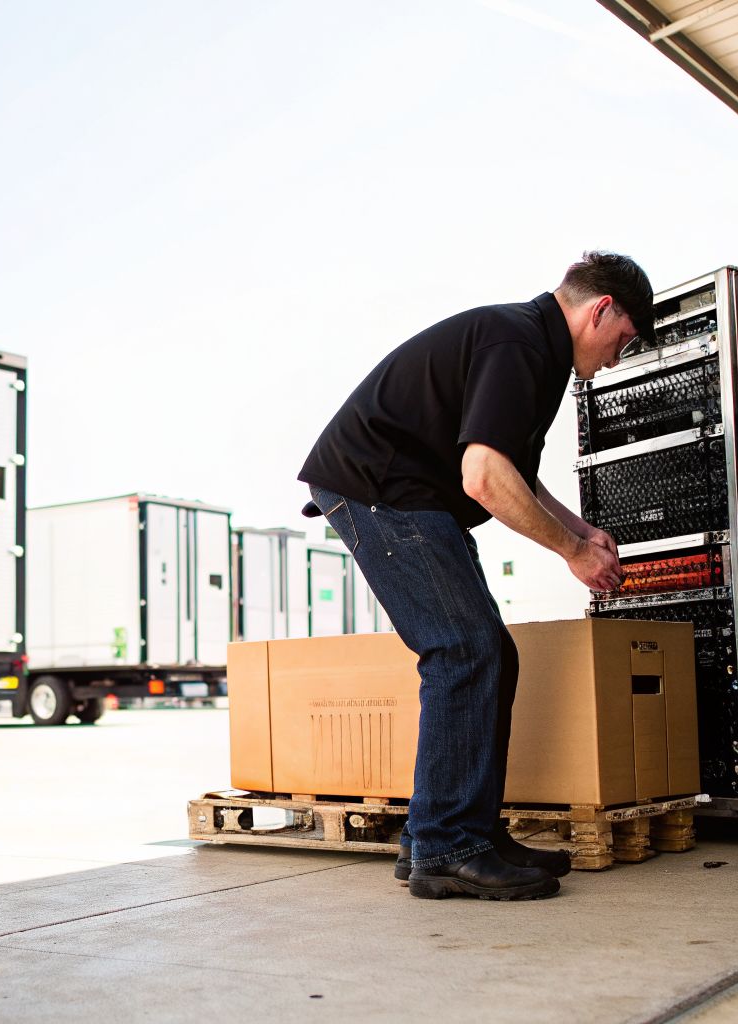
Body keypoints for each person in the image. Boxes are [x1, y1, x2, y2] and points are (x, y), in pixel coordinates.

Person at [298, 251, 652, 901]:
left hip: (403, 493)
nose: (616, 358)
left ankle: (463, 833)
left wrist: (579, 527)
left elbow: (512, 467)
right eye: (623, 340)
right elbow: (484, 477)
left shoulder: (535, 350)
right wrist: (572, 551)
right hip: (382, 488)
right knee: (465, 650)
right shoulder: (518, 342)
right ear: (601, 309)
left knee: (490, 654)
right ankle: (445, 846)